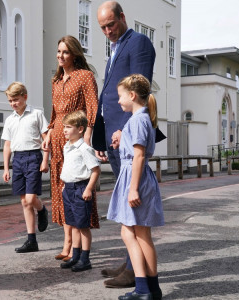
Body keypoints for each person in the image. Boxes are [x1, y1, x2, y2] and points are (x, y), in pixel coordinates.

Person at [91, 1, 157, 288]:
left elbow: (139, 88)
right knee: (125, 208)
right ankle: (131, 263)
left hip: (127, 136)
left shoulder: (139, 43)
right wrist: (101, 134)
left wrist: (122, 130)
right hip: (115, 134)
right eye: (103, 27)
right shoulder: (114, 49)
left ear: (122, 17)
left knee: (132, 206)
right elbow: (110, 94)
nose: (107, 31)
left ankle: (136, 272)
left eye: (111, 25)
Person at [42, 35, 99, 262]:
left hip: (75, 140)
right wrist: (47, 135)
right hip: (57, 139)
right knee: (60, 191)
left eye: (65, 52)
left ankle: (77, 247)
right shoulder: (55, 81)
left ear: (74, 54)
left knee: (77, 187)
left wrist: (87, 137)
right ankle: (67, 242)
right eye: (58, 52)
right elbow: (55, 114)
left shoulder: (85, 76)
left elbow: (92, 109)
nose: (61, 56)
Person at [108, 74, 164, 300]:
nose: (118, 101)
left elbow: (139, 156)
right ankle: (152, 289)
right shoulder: (140, 119)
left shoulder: (138, 120)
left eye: (120, 96)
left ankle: (143, 289)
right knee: (140, 235)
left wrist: (133, 189)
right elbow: (135, 152)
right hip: (135, 176)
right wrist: (122, 141)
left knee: (134, 233)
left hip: (136, 179)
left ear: (132, 95)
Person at [1, 82, 50, 253]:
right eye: (10, 101)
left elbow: (46, 140)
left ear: (25, 97)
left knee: (30, 199)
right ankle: (31, 240)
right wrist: (6, 168)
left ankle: (42, 210)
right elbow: (7, 145)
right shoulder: (9, 120)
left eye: (16, 99)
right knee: (24, 202)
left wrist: (45, 160)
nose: (13, 103)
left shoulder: (36, 114)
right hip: (18, 159)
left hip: (34, 157)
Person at [59, 111, 100, 272]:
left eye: (69, 127)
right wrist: (65, 184)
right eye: (64, 127)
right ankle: (75, 256)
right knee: (73, 225)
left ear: (80, 129)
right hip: (68, 189)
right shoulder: (67, 146)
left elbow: (95, 170)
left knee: (83, 226)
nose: (65, 130)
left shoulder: (84, 149)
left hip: (81, 189)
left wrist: (89, 188)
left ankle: (85, 258)